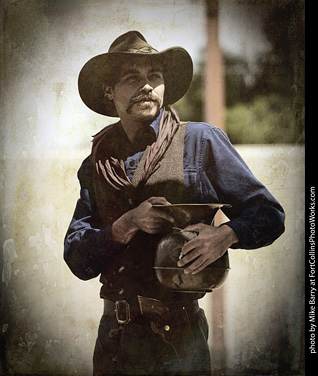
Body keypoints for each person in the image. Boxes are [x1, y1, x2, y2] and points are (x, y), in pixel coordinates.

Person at [64, 31, 285, 376]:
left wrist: (225, 235)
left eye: (155, 76)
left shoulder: (201, 141)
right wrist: (127, 224)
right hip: (114, 341)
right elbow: (78, 258)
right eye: (132, 78)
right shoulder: (96, 165)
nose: (147, 86)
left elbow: (269, 214)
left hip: (178, 343)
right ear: (109, 91)